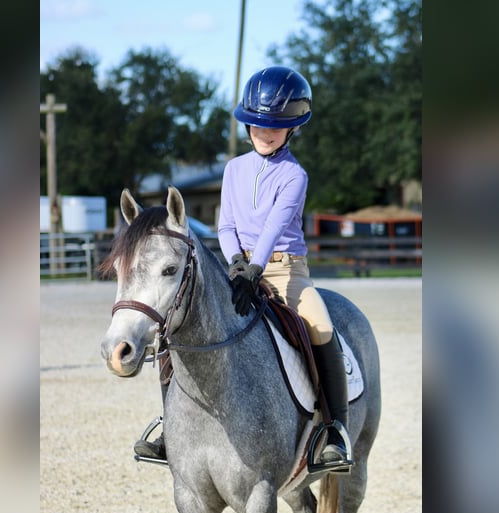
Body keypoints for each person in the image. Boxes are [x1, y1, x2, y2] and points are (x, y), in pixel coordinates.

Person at [134, 66, 351, 471]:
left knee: (320, 326)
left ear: (293, 128)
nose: (264, 132)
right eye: (256, 123)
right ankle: (171, 427)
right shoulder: (233, 168)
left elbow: (274, 226)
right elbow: (226, 224)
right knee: (178, 324)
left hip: (285, 270)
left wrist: (255, 267)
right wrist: (236, 262)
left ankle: (335, 430)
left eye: (275, 126)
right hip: (235, 266)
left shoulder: (294, 175)